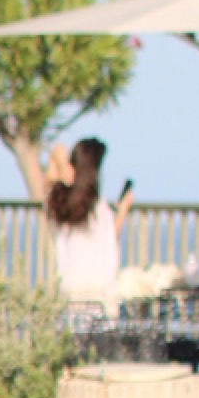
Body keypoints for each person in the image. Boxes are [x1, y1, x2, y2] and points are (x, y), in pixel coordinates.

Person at [46, 136, 134, 320]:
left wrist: (64, 166)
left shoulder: (61, 204)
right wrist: (123, 211)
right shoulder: (97, 208)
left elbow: (55, 157)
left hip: (70, 295)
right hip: (101, 297)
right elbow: (108, 241)